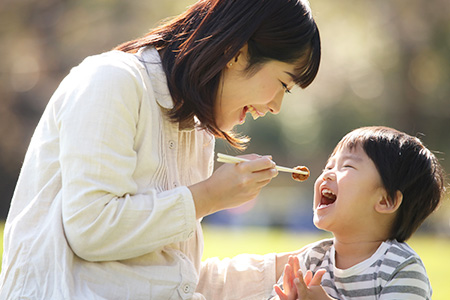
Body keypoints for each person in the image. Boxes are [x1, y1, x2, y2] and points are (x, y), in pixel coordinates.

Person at [0, 0, 321, 299]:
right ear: (236, 52)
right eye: (282, 84)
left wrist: (289, 267)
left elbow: (176, 278)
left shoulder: (197, 133)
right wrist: (208, 196)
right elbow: (91, 229)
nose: (276, 106)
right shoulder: (113, 80)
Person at [271, 126, 445, 300]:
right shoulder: (312, 259)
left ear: (385, 201)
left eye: (347, 166)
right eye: (329, 166)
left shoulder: (402, 268)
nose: (328, 175)